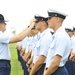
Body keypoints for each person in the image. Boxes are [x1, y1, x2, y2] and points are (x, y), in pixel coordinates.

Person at [43, 9, 71, 75]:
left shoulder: (61, 37)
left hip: (57, 71)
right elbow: (50, 58)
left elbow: (56, 63)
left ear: (57, 19)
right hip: (53, 70)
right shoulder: (56, 35)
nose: (48, 20)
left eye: (50, 18)